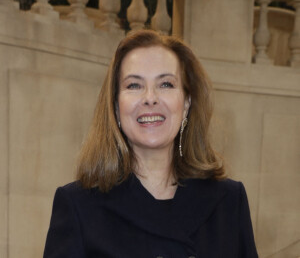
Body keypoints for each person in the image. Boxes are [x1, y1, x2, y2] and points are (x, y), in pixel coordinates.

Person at [43, 30, 258, 258]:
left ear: (186, 103)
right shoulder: (78, 205)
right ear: (116, 107)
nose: (150, 97)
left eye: (165, 84)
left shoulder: (229, 201)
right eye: (134, 85)